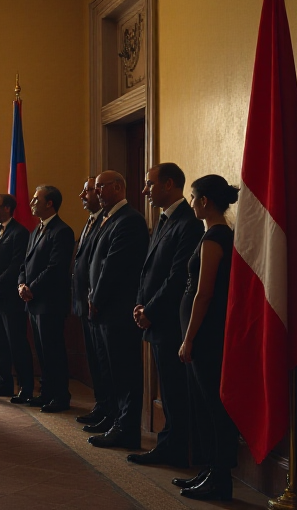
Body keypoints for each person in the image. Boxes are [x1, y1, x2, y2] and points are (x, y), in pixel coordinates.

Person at [129, 163, 203, 467]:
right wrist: (139, 305)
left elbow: (177, 278)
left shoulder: (188, 223)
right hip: (154, 317)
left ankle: (176, 449)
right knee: (168, 388)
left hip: (171, 321)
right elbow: (148, 269)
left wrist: (151, 310)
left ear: (169, 184)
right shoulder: (162, 220)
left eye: (150, 184)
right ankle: (170, 444)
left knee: (175, 389)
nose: (145, 190)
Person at [174, 175, 240, 501]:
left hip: (207, 334)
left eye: (193, 198)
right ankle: (210, 469)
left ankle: (220, 477)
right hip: (203, 333)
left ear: (204, 202)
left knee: (214, 405)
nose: (190, 204)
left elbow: (204, 294)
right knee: (203, 403)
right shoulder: (210, 234)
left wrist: (188, 338)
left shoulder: (215, 237)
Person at [87, 171, 149, 449]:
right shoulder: (107, 218)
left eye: (101, 186)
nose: (96, 191)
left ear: (118, 187)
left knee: (124, 373)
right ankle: (116, 421)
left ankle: (127, 429)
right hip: (104, 310)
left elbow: (113, 267)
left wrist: (96, 300)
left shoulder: (130, 220)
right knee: (111, 371)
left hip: (117, 310)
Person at [18, 186, 75, 413]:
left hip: (49, 302)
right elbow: (24, 264)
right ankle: (47, 392)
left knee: (53, 351)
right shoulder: (35, 230)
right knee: (41, 351)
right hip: (33, 301)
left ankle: (60, 396)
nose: (31, 202)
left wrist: (31, 287)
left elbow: (56, 267)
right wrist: (22, 284)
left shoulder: (62, 231)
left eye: (36, 199)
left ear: (49, 203)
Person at [0, 194, 31, 400]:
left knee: (16, 343)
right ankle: (3, 384)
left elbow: (16, 265)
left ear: (8, 208)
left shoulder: (20, 233)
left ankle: (25, 387)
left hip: (10, 298)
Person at [73, 178, 108, 429]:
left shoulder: (109, 221)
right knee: (95, 360)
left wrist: (93, 296)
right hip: (84, 302)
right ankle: (101, 405)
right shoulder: (91, 221)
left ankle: (109, 409)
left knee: (105, 362)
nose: (82, 195)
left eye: (87, 190)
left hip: (99, 304)